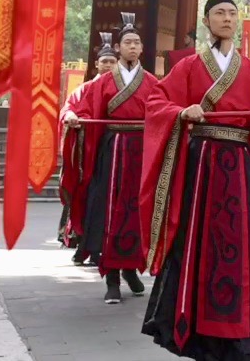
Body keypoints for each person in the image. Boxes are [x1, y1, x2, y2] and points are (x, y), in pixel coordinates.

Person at [140, 0, 250, 361]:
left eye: (231, 13)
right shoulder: (189, 66)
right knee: (199, 241)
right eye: (219, 14)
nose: (227, 19)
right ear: (207, 22)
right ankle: (197, 334)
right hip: (203, 163)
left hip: (239, 167)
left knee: (244, 244)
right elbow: (157, 101)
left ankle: (246, 338)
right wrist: (180, 113)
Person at [65, 19, 159, 303]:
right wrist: (71, 116)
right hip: (113, 151)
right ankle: (112, 278)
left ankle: (131, 269)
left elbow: (166, 109)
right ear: (118, 48)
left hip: (141, 151)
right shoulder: (103, 82)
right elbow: (77, 106)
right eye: (128, 43)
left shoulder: (153, 82)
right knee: (111, 211)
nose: (133, 47)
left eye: (137, 43)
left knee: (136, 211)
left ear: (142, 48)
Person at [60, 46, 120, 262]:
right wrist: (73, 117)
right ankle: (83, 246)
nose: (108, 65)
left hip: (111, 151)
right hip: (88, 154)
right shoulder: (85, 89)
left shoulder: (121, 88)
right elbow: (68, 109)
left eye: (112, 62)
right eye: (104, 61)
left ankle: (99, 249)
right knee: (87, 199)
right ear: (96, 64)